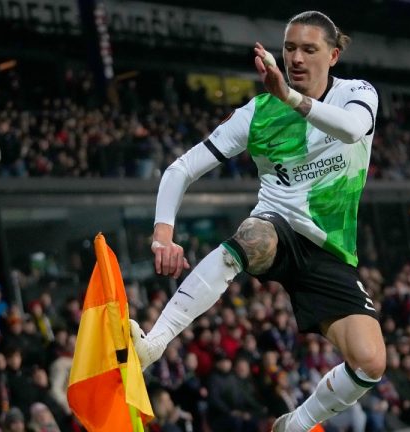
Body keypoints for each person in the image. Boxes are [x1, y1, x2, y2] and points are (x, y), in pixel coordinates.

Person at [129, 10, 383, 432]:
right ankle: (153, 344)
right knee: (254, 237)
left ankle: (295, 424)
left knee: (370, 363)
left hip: (330, 250)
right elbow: (181, 169)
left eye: (309, 49)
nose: (296, 58)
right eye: (289, 48)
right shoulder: (257, 113)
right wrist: (163, 234)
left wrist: (291, 98)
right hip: (278, 225)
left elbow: (353, 130)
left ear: (333, 55)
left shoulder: (357, 93)